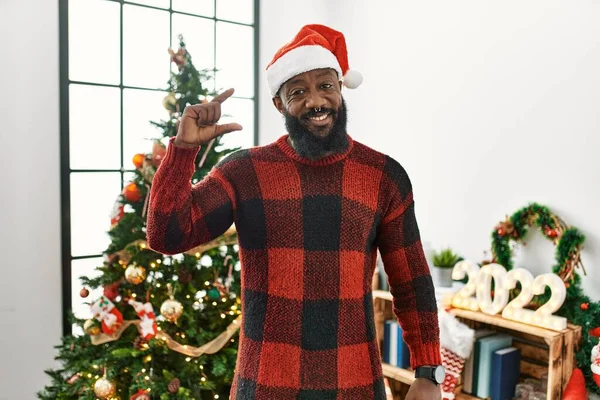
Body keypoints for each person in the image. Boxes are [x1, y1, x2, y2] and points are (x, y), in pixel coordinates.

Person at [147, 24, 444, 400]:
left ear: (340, 88)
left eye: (325, 86)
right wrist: (183, 150)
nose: (315, 101)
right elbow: (167, 235)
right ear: (279, 103)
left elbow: (412, 282)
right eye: (298, 91)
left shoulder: (384, 176)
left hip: (354, 387)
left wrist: (428, 372)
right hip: (265, 388)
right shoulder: (243, 172)